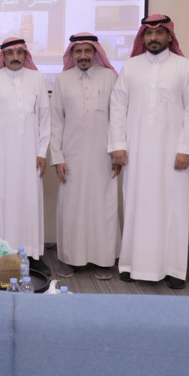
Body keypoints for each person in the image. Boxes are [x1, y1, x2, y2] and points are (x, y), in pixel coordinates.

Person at [110, 14, 189, 288]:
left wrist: (186, 149)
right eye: (148, 33)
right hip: (136, 151)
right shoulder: (131, 66)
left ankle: (173, 269)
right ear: (143, 37)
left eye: (159, 33)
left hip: (172, 154)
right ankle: (130, 264)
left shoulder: (184, 66)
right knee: (136, 204)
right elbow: (118, 106)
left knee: (173, 207)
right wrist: (118, 145)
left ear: (169, 36)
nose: (153, 38)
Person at [50, 32, 120, 280]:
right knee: (72, 207)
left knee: (103, 206)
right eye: (78, 51)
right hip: (72, 156)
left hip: (104, 155)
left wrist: (118, 151)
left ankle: (104, 260)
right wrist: (57, 157)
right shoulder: (62, 80)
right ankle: (70, 259)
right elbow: (56, 121)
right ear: (72, 54)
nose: (83, 56)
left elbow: (118, 117)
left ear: (95, 52)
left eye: (87, 51)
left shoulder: (109, 77)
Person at [0, 37, 51, 277]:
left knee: (29, 203)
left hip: (30, 154)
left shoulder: (37, 79)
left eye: (20, 52)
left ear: (25, 55)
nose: (15, 57)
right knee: (0, 203)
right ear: (3, 56)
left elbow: (45, 118)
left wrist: (42, 152)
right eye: (10, 53)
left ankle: (31, 255)